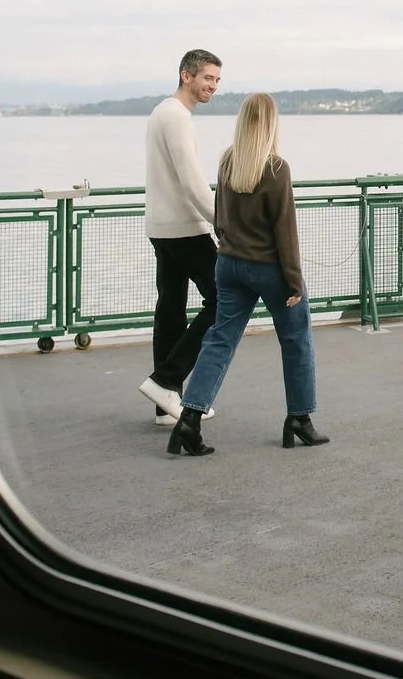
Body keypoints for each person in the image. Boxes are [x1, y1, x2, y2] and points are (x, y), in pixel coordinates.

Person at [169, 92, 329, 456]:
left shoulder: (228, 161)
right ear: (272, 123)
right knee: (296, 339)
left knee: (219, 339)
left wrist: (229, 247)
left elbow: (219, 216)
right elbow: (284, 230)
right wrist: (293, 280)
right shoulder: (276, 168)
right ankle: (299, 419)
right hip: (268, 267)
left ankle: (189, 420)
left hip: (228, 264)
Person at [138, 48, 222, 424]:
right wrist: (225, 221)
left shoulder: (162, 113)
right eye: (208, 78)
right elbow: (192, 182)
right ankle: (165, 381)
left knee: (170, 311)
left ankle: (165, 404)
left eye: (217, 80)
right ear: (186, 76)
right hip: (184, 229)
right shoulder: (177, 117)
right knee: (226, 300)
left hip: (161, 227)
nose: (213, 86)